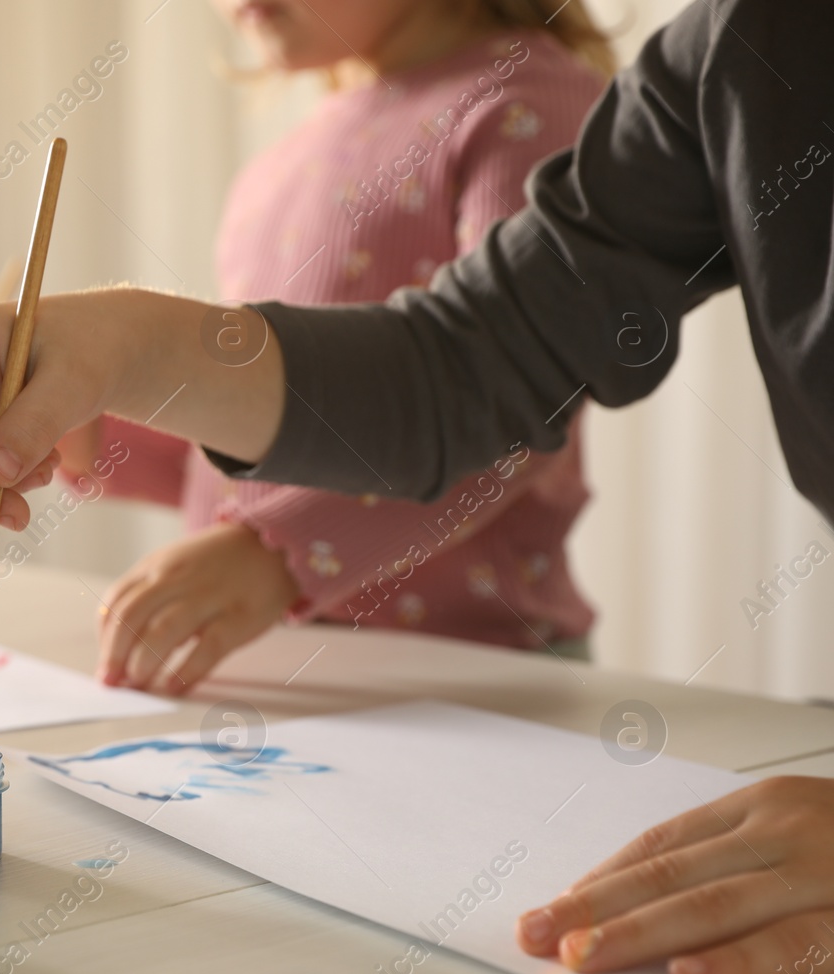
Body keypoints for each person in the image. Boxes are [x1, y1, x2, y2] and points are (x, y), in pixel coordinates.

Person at [0, 0, 834, 974]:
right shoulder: (749, 42)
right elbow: (472, 365)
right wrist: (115, 374)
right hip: (306, 700)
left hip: (478, 695)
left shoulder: (523, 103)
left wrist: (277, 551)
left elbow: (515, 420)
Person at [59, 0, 610, 697]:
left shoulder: (526, 102)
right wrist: (90, 424)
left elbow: (521, 405)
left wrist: (276, 556)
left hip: (475, 679)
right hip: (295, 673)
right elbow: (265, 441)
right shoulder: (284, 159)